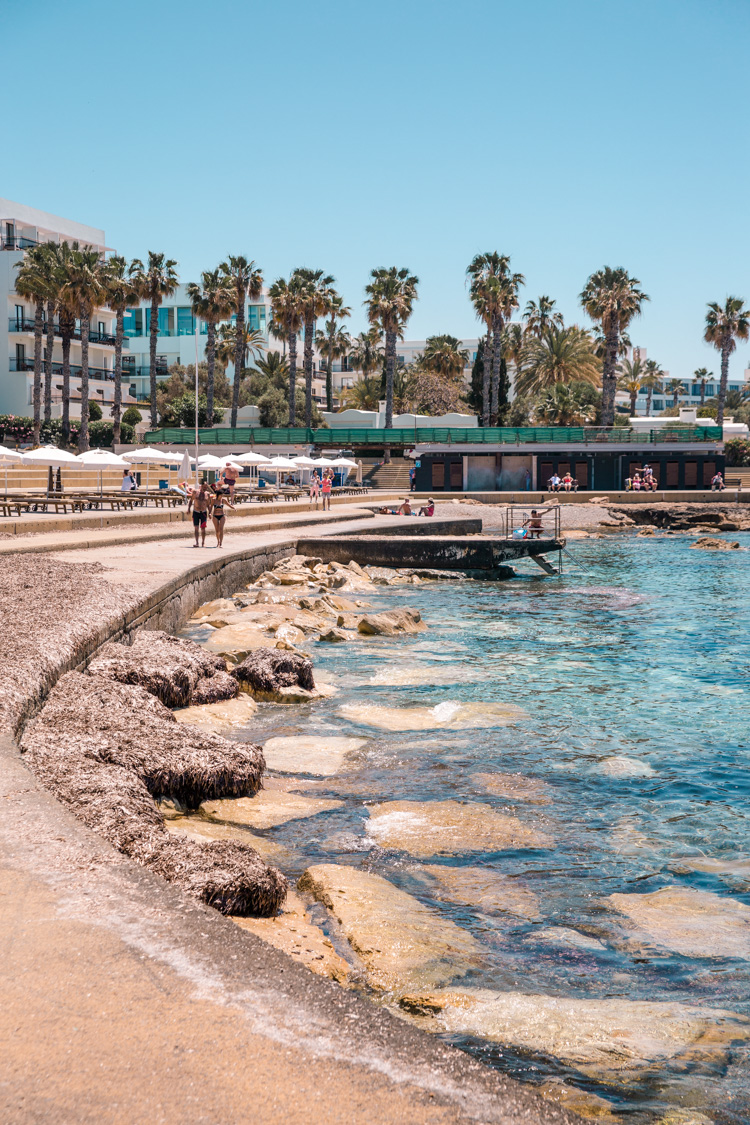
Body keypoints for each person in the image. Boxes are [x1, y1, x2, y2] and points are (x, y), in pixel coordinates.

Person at [187, 480, 211, 547]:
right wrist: (188, 509)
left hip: (203, 513)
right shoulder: (195, 492)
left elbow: (208, 504)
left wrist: (210, 513)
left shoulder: (207, 494)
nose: (205, 488)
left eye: (206, 487)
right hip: (196, 512)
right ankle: (197, 542)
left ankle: (203, 542)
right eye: (204, 486)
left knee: (203, 529)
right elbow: (191, 501)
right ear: (201, 486)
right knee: (196, 528)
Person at [211, 483, 234, 548]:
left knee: (221, 529)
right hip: (215, 515)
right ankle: (218, 541)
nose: (221, 496)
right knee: (217, 530)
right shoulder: (213, 500)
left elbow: (229, 505)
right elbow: (210, 507)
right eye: (220, 495)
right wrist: (209, 513)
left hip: (222, 515)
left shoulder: (223, 500)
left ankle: (221, 543)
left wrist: (234, 508)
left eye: (222, 495)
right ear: (217, 495)